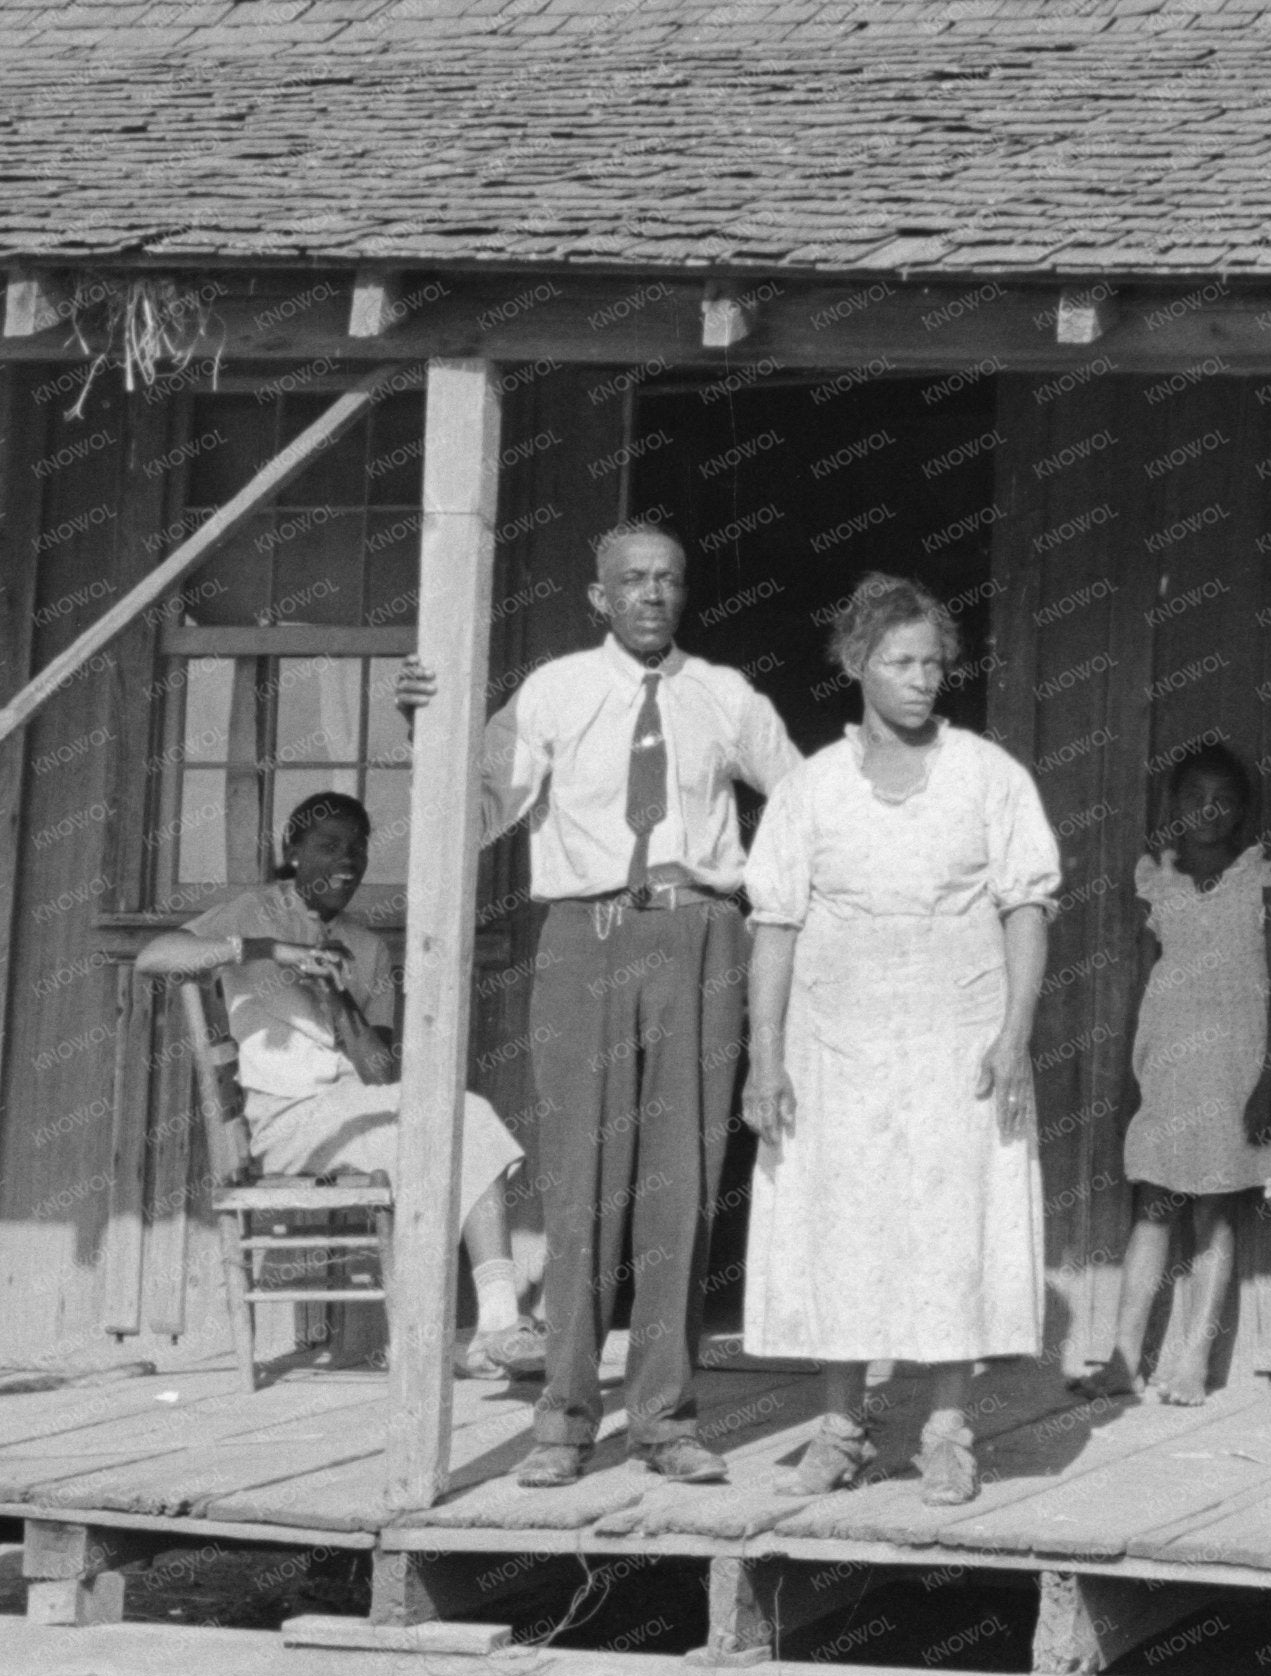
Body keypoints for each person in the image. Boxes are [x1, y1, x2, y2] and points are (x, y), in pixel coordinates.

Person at [397, 523, 803, 1489]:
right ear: (599, 596)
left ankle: (663, 1416)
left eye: (667, 578)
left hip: (699, 936)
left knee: (683, 1182)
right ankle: (566, 1418)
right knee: (580, 1182)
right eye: (632, 580)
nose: (651, 594)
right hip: (585, 940)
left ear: (684, 592)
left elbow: (802, 801)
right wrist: (430, 727)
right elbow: (481, 807)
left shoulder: (725, 695)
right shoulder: (552, 692)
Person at [739, 573, 1062, 1507]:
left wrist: (1015, 1031)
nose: (922, 680)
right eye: (900, 662)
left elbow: (1026, 907)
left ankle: (947, 1431)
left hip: (957, 1040)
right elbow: (776, 925)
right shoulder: (810, 789)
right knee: (838, 1224)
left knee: (950, 1224)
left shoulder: (989, 776)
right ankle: (842, 1429)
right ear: (855, 665)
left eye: (933, 663)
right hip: (835, 1044)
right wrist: (767, 1056)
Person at [134, 791, 541, 1378]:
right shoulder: (252, 913)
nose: (345, 861)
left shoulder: (367, 945)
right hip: (286, 1122)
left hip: (351, 1113)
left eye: (356, 849)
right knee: (461, 1121)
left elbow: (380, 1074)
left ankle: (491, 1329)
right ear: (292, 851)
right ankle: (493, 1324)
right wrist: (269, 950)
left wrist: (336, 992)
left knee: (461, 1119)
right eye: (327, 846)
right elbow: (154, 956)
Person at [1079, 743, 1271, 1408]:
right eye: (1195, 797)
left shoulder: (1266, 878)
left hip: (1237, 1063)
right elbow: (1147, 977)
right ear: (1174, 806)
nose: (1209, 809)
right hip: (1171, 1058)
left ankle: (1196, 1359)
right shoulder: (1157, 880)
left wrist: (1270, 1077)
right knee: (1153, 1205)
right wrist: (1133, 1073)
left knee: (1215, 1208)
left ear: (1242, 810)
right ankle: (1122, 1360)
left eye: (1224, 799)